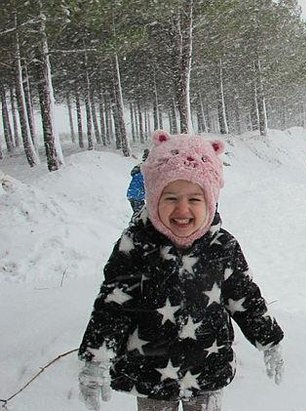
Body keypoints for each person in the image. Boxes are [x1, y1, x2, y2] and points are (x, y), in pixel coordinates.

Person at [77, 131, 284, 411]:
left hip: (207, 371)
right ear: (152, 199)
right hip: (152, 375)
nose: (182, 209)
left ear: (210, 202)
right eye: (171, 197)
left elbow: (244, 296)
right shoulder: (136, 245)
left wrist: (269, 338)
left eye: (195, 200)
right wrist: (96, 357)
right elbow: (112, 306)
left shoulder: (222, 246)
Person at [126, 149, 149, 215]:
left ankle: (134, 223)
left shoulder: (140, 168)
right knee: (139, 214)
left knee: (138, 213)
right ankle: (133, 224)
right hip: (137, 195)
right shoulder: (144, 171)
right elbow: (147, 185)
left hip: (133, 194)